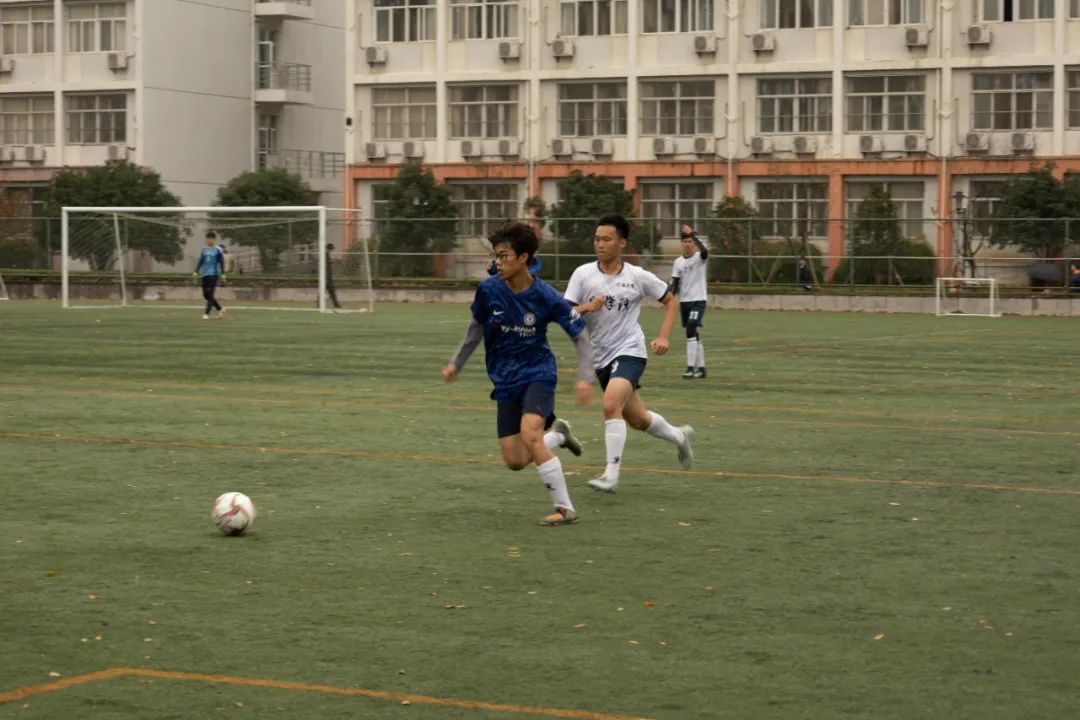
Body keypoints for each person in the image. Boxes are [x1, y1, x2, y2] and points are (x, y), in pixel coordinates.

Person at [443, 223, 594, 526]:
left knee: (530, 433)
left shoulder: (546, 296)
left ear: (523, 257)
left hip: (539, 373)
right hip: (504, 379)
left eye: (504, 256)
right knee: (515, 460)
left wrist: (585, 377)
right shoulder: (489, 290)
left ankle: (565, 509)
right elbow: (475, 330)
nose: (498, 262)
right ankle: (558, 436)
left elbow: (580, 335)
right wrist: (456, 363)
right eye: (496, 256)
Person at [564, 213, 695, 494]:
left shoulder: (637, 276)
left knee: (611, 403)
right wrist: (588, 307)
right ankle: (679, 436)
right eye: (597, 239)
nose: (600, 244)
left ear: (622, 243)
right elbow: (564, 313)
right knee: (638, 419)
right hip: (601, 357)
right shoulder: (582, 274)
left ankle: (611, 474)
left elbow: (671, 301)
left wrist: (663, 336)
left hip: (630, 350)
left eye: (607, 239)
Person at [669, 224, 709, 380]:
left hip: (698, 300)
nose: (687, 244)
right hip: (684, 302)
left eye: (690, 242)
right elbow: (674, 283)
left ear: (694, 243)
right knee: (694, 333)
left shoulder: (700, 258)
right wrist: (668, 298)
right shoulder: (678, 262)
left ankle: (690, 368)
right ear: (682, 244)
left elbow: (705, 251)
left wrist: (692, 234)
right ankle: (702, 369)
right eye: (685, 242)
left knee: (691, 328)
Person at [193, 231, 226, 319]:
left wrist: (223, 274)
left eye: (211, 239)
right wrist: (196, 271)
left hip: (213, 275)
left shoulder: (218, 250)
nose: (209, 240)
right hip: (205, 275)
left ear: (214, 240)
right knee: (205, 295)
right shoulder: (204, 249)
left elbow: (222, 263)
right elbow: (201, 261)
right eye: (208, 239)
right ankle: (220, 309)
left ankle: (206, 314)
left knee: (210, 294)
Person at [321, 242, 343, 310]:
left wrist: (331, 261)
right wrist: (331, 262)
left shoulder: (326, 254)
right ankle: (335, 304)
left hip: (327, 276)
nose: (333, 250)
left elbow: (327, 263)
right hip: (326, 277)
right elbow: (326, 264)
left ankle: (336, 304)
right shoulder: (325, 254)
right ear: (330, 248)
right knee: (329, 291)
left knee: (331, 291)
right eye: (332, 249)